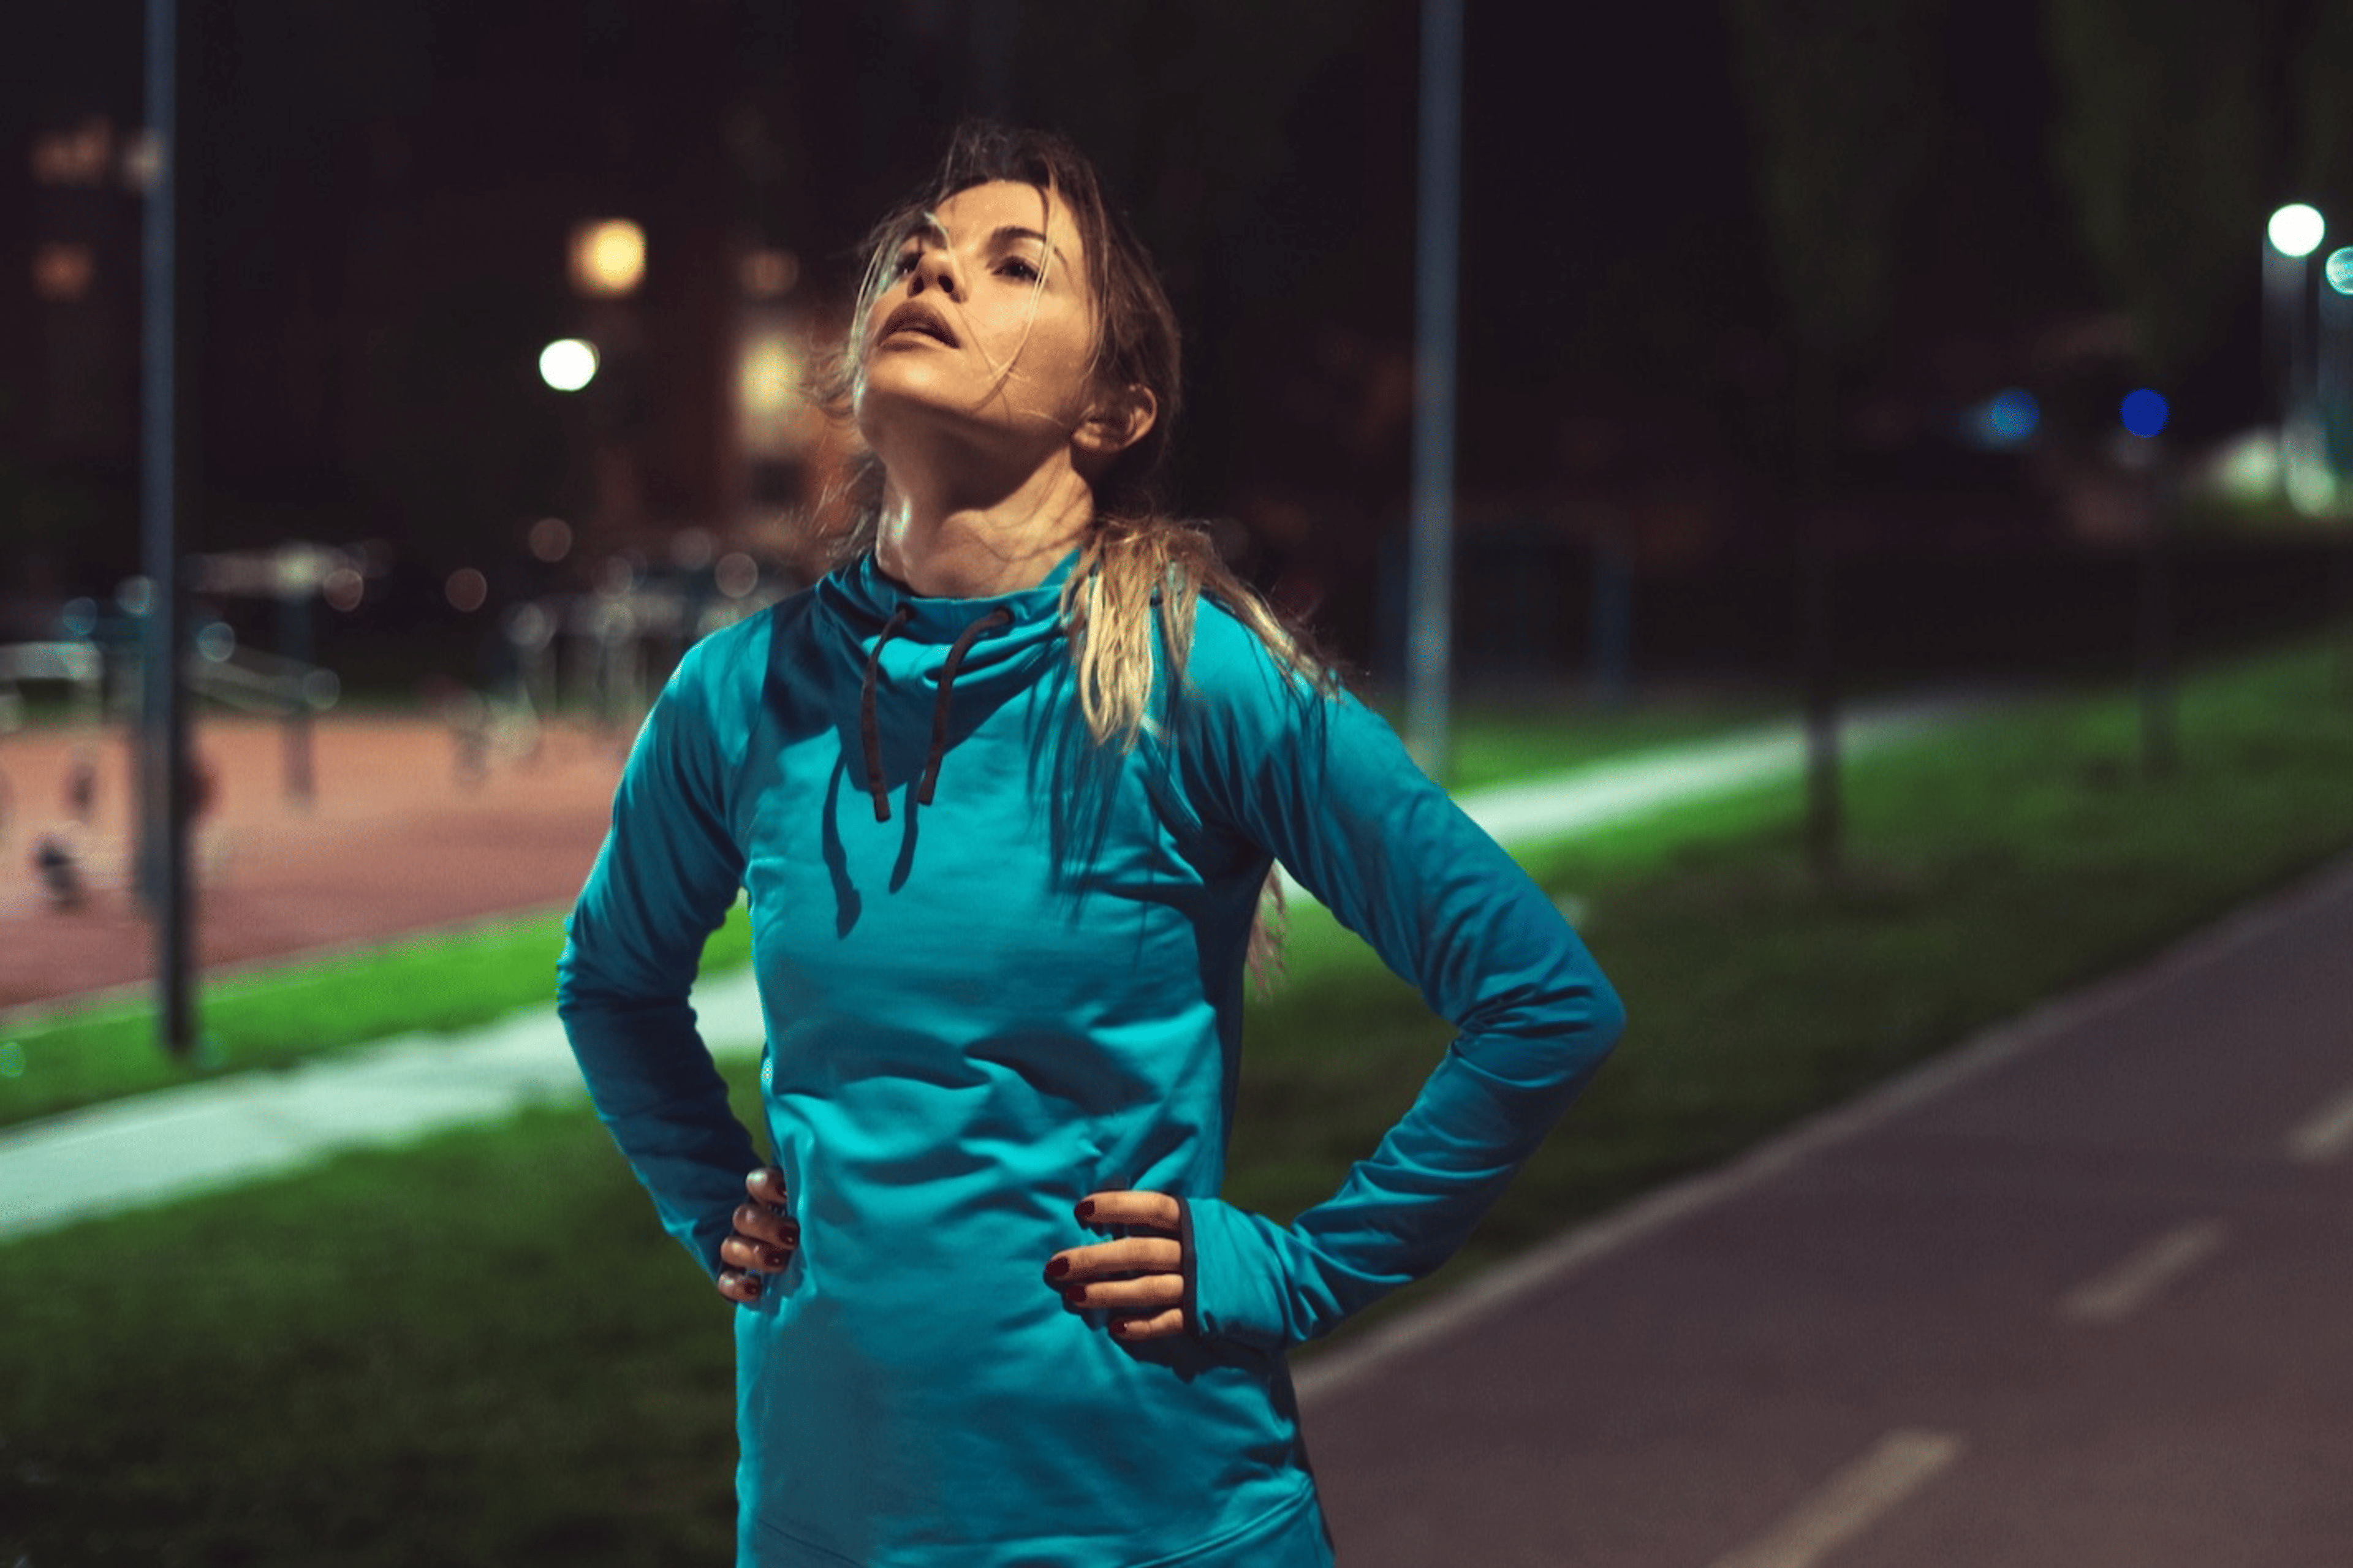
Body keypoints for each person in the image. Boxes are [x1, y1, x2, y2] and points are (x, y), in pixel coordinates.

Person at [557, 123, 1624, 1567]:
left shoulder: (1196, 675)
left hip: (1156, 1521)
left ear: (1114, 410)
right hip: (828, 1523)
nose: (935, 268)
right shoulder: (740, 696)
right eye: (921, 250)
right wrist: (705, 1196)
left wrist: (1299, 1269)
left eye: (1016, 265)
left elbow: (1541, 1000)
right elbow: (611, 985)